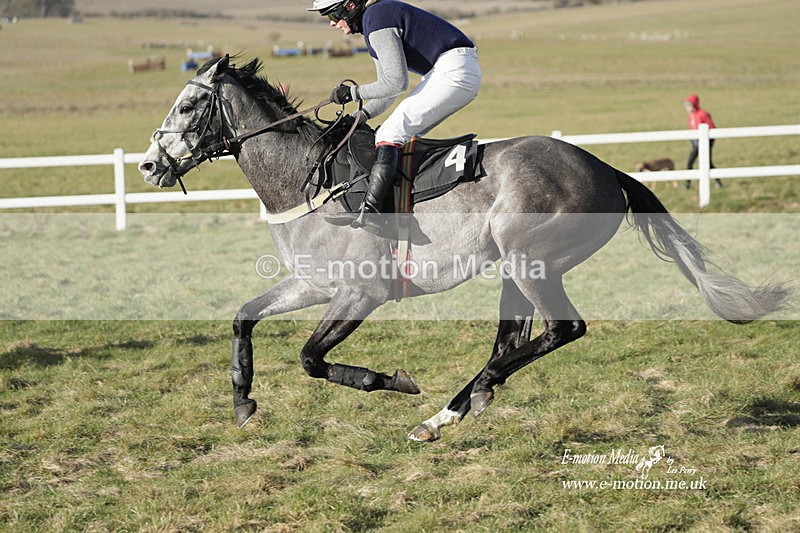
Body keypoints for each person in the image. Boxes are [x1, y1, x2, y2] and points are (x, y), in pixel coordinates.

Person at [308, 0, 482, 233]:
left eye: (332, 16)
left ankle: (373, 211)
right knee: (390, 134)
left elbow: (395, 82)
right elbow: (390, 90)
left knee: (390, 133)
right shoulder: (375, 20)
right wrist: (362, 115)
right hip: (450, 70)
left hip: (453, 70)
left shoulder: (376, 17)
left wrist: (352, 93)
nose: (332, 24)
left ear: (349, 6)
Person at [684, 94, 722, 189]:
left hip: (704, 143)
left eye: (689, 104)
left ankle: (718, 182)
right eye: (686, 105)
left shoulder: (703, 114)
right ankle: (687, 184)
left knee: (708, 163)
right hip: (695, 143)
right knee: (690, 163)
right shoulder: (691, 116)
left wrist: (709, 143)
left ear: (694, 104)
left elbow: (711, 127)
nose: (687, 107)